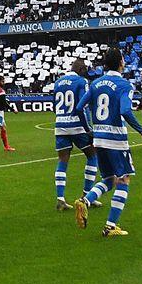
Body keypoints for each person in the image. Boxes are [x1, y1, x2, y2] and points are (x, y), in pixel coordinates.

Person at [73, 48, 142, 237]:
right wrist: (141, 130)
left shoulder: (96, 83)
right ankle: (110, 226)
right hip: (116, 139)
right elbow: (125, 110)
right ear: (121, 63)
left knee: (109, 179)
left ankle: (86, 201)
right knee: (124, 179)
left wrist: (89, 129)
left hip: (99, 139)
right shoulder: (124, 85)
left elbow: (79, 107)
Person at [52, 60, 100, 212]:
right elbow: (82, 107)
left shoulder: (58, 82)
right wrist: (88, 129)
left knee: (62, 160)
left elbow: (54, 106)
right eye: (84, 69)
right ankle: (86, 197)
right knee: (92, 156)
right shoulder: (81, 81)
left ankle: (60, 199)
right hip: (77, 126)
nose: (85, 72)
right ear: (79, 68)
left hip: (60, 125)